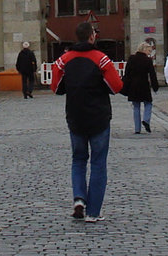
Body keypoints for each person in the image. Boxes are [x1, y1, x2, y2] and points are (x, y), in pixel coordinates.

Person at [50, 22, 123, 222]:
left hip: (75, 117)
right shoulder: (101, 59)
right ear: (92, 37)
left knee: (78, 160)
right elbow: (116, 86)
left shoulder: (63, 60)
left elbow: (55, 88)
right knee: (98, 163)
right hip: (99, 117)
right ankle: (93, 212)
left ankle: (79, 198)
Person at [122, 40, 160, 133]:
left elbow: (127, 73)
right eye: (149, 51)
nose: (149, 53)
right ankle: (146, 120)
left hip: (133, 86)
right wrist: (155, 86)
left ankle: (137, 129)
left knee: (136, 107)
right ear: (144, 50)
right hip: (144, 85)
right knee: (148, 103)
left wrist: (124, 86)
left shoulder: (131, 59)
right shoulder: (147, 60)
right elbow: (152, 75)